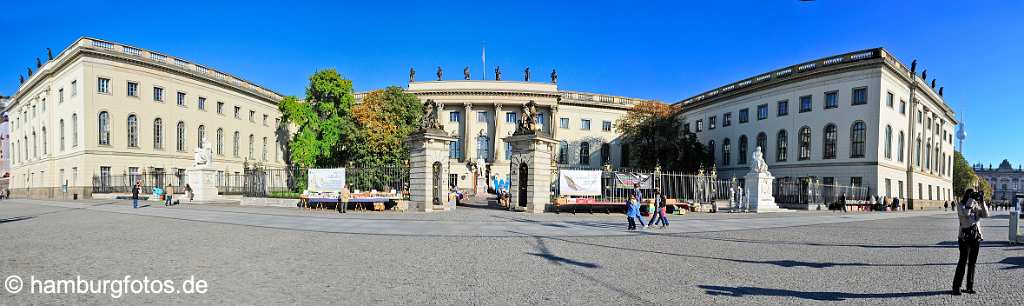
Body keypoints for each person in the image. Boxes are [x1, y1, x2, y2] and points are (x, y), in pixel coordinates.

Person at [951, 188, 990, 295]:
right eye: (972, 195)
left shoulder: (976, 206)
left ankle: (969, 286)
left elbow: (986, 215)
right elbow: (966, 216)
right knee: (962, 262)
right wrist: (970, 201)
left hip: (975, 238)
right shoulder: (960, 206)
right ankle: (956, 286)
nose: (974, 198)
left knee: (972, 263)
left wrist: (982, 202)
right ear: (967, 196)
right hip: (964, 238)